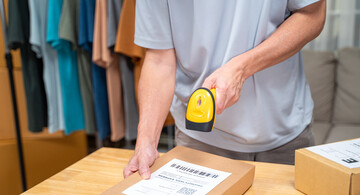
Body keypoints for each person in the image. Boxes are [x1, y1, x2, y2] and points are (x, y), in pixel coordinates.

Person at [124, 0, 326, 179]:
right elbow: (159, 61)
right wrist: (146, 142)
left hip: (284, 132)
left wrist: (242, 67)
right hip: (199, 141)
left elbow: (313, 15)